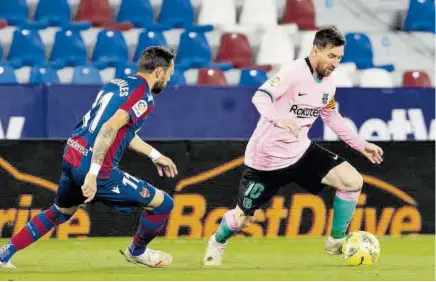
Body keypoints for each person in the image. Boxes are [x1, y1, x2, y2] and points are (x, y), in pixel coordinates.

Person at [203, 26, 384, 266]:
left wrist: (361, 145)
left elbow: (331, 117)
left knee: (352, 181)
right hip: (266, 161)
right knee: (243, 219)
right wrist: (280, 120)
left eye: (339, 57)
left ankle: (336, 241)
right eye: (331, 56)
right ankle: (218, 239)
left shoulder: (329, 83)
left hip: (300, 151)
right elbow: (260, 96)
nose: (336, 63)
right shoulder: (293, 72)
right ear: (315, 51)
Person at [0, 46, 179, 269]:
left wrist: (155, 155)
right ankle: (137, 251)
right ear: (159, 72)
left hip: (73, 152)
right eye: (170, 73)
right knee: (163, 204)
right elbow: (108, 129)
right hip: (95, 168)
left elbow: (122, 132)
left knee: (59, 212)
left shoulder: (117, 84)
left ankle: (4, 254)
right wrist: (93, 174)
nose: (170, 79)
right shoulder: (143, 97)